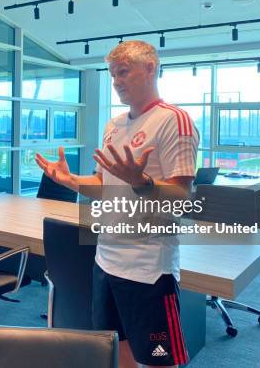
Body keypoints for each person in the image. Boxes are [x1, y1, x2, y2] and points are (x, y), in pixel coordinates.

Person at [35, 40, 199, 368]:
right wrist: (72, 182)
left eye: (123, 72)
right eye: (112, 75)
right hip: (106, 261)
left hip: (149, 268)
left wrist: (143, 183)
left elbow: (183, 198)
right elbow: (103, 185)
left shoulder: (173, 121)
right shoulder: (114, 126)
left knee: (157, 360)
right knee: (116, 350)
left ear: (151, 68)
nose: (117, 82)